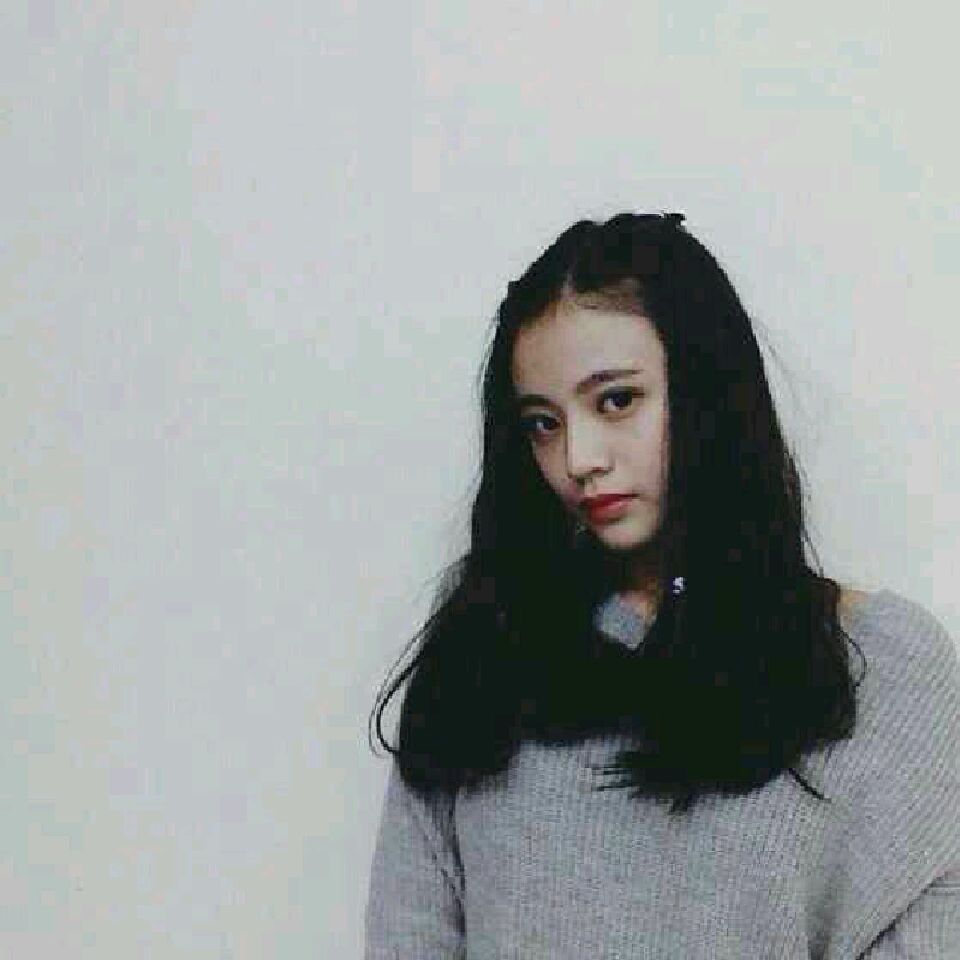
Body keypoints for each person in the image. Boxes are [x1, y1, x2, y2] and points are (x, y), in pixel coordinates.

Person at [363, 213, 960, 958]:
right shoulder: (486, 642)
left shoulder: (887, 672)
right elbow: (410, 933)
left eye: (616, 400)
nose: (579, 458)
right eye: (543, 424)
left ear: (709, 391)